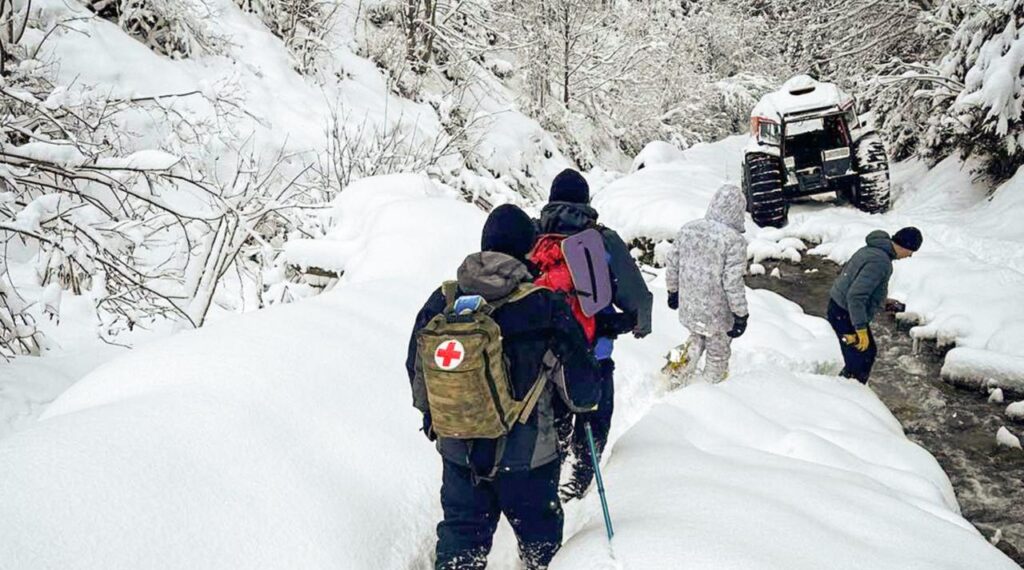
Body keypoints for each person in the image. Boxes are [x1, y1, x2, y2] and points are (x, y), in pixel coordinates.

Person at [406, 204, 601, 570]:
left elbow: (417, 371)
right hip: (530, 457)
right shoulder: (544, 305)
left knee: (461, 540)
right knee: (541, 547)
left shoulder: (442, 301)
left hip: (459, 452)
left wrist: (437, 421)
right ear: (528, 249)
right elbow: (582, 391)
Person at [534, 168, 654, 500]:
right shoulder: (601, 240)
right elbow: (636, 296)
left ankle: (551, 468)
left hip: (543, 353)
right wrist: (639, 325)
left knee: (553, 413)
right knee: (595, 415)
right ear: (586, 201)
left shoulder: (533, 237)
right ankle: (580, 477)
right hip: (593, 350)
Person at [664, 183, 749, 385]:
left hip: (690, 304)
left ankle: (673, 371)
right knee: (718, 351)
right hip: (718, 312)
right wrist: (740, 314)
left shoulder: (688, 229)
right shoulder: (734, 241)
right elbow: (732, 282)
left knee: (695, 338)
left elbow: (673, 263)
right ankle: (709, 389)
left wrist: (673, 291)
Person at [826, 227, 922, 384]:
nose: (910, 255)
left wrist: (882, 302)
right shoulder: (880, 262)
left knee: (863, 356)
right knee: (861, 359)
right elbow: (856, 296)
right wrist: (860, 329)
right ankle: (846, 392)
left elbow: (856, 285)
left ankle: (845, 387)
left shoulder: (873, 249)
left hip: (839, 308)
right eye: (911, 251)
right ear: (905, 246)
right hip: (845, 313)